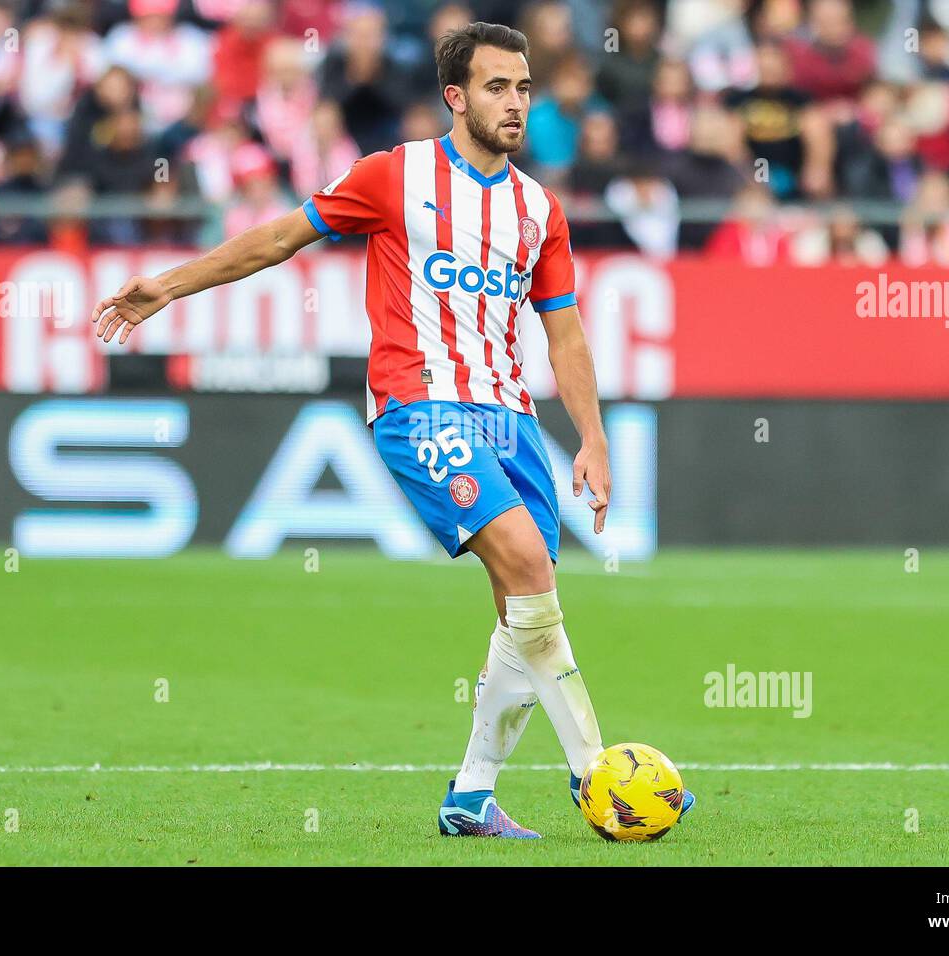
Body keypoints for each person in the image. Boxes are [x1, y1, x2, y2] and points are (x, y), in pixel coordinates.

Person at [89, 20, 695, 839]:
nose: (515, 103)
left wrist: (591, 436)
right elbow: (277, 239)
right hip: (420, 406)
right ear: (455, 97)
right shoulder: (393, 177)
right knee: (526, 567)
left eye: (523, 88)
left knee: (523, 609)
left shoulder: (537, 210)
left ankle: (471, 797)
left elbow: (565, 330)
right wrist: (169, 283)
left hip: (512, 419)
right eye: (496, 87)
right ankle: (601, 773)